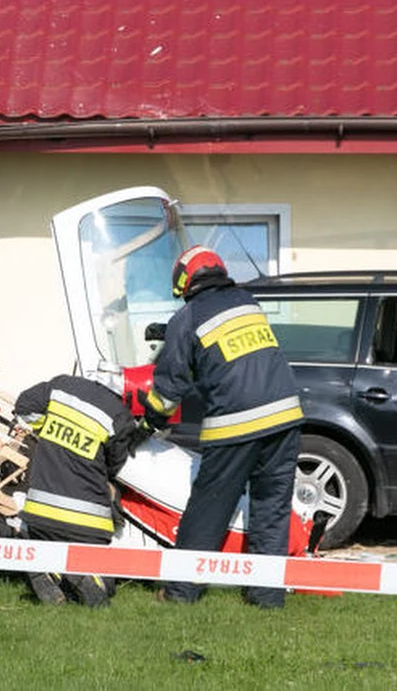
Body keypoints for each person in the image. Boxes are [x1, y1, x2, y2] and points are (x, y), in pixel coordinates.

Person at [139, 245, 304, 609]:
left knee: (208, 508)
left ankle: (181, 592)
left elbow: (168, 390)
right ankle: (266, 599)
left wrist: (149, 421)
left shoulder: (187, 318)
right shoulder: (247, 301)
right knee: (271, 510)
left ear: (183, 281)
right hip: (286, 417)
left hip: (237, 424)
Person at [13, 373, 145, 607]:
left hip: (39, 514)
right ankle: (83, 572)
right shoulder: (119, 416)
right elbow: (115, 466)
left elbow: (23, 407)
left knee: (50, 542)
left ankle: (50, 569)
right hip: (86, 524)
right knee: (107, 587)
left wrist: (49, 431)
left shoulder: (61, 386)